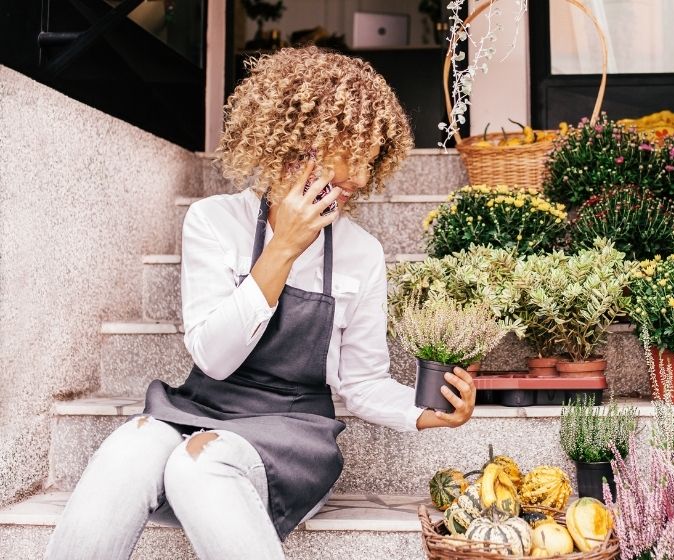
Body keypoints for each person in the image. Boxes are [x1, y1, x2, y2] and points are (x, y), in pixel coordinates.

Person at [45, 46, 476, 560]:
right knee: (129, 446)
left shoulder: (361, 253)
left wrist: (430, 414)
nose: (358, 180)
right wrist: (283, 249)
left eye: (366, 163)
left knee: (198, 462)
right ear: (297, 145)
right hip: (202, 407)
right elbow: (214, 358)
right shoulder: (212, 221)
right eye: (348, 159)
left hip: (293, 435)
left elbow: (361, 384)